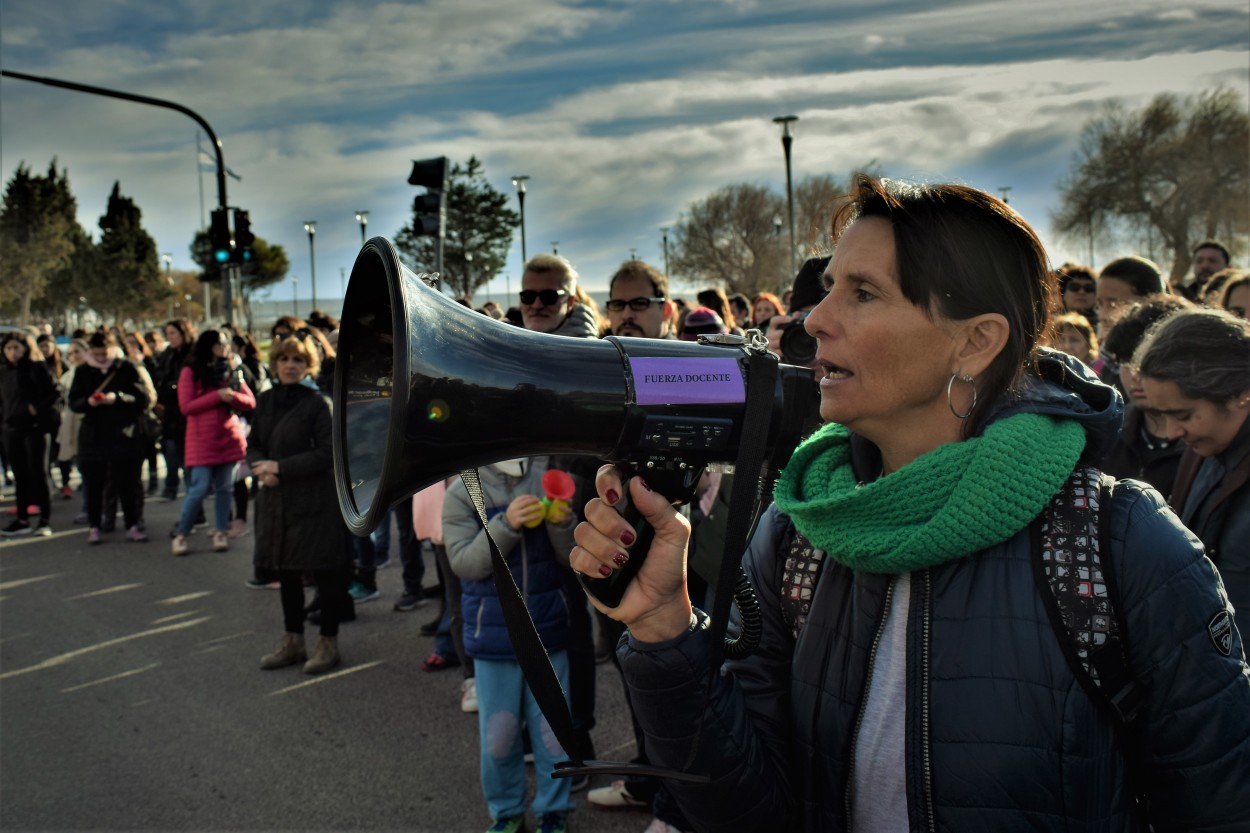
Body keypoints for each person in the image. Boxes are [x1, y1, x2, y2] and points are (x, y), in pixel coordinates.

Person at [572, 176, 1250, 831]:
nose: (816, 317)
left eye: (863, 293)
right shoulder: (798, 529)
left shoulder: (1124, 543)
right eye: (831, 285)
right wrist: (665, 629)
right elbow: (747, 810)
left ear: (975, 341)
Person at [443, 457, 578, 833]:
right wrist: (505, 525)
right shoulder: (462, 491)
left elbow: (570, 557)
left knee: (553, 734)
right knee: (499, 737)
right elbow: (464, 563)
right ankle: (506, 812)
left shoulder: (548, 478)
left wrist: (563, 523)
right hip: (494, 637)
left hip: (547, 629)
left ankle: (555, 811)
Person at [1135, 308, 1250, 636]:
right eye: (1163, 416)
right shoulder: (1203, 450)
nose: (1172, 433)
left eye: (1184, 415)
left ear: (1242, 393)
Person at [252, 331, 352, 675]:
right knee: (287, 572)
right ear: (275, 362)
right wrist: (262, 469)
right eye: (284, 359)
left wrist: (281, 468)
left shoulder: (318, 404)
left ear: (309, 365)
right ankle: (292, 640)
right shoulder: (265, 401)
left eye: (298, 360)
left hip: (314, 502)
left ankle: (329, 643)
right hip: (276, 501)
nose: (290, 366)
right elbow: (253, 443)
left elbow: (328, 453)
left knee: (324, 572)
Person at [171, 330, 255, 557]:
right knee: (198, 488)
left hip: (229, 437)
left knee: (225, 488)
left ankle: (220, 531)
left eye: (227, 343)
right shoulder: (191, 370)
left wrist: (232, 396)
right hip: (201, 439)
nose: (225, 347)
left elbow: (250, 401)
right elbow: (186, 406)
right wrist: (217, 396)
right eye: (220, 343)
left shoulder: (231, 370)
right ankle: (182, 533)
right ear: (208, 345)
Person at [1100, 295, 1193, 495]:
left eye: (1147, 362)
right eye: (1126, 360)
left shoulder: (1207, 441)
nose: (1134, 374)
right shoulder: (1106, 432)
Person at [69, 331, 150, 544]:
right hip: (93, 437)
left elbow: (142, 398)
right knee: (94, 484)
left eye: (105, 353)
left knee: (127, 483)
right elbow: (74, 402)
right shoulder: (83, 371)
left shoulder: (125, 368)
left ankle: (132, 524)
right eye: (97, 354)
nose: (102, 358)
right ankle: (95, 525)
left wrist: (118, 398)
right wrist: (89, 402)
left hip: (123, 435)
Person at [0, 331, 58, 537]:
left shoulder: (37, 368)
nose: (12, 352)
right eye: (8, 348)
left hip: (36, 428)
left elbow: (55, 392)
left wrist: (37, 408)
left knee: (39, 472)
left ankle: (44, 520)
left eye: (16, 347)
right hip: (11, 428)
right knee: (20, 475)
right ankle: (22, 518)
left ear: (25, 348)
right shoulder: (3, 372)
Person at [154, 318, 196, 500]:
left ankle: (195, 509)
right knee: (171, 454)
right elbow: (159, 378)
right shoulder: (167, 355)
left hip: (188, 416)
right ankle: (173, 488)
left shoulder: (194, 354)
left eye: (173, 333)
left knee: (189, 464)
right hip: (170, 416)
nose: (170, 337)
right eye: (168, 334)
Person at [518, 254, 599, 338]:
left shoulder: (588, 349)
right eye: (528, 296)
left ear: (570, 302)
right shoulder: (509, 344)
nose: (537, 305)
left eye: (549, 297)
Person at [1056, 262, 1099, 327]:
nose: (1082, 292)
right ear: (1062, 294)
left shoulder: (1105, 326)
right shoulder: (1052, 327)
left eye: (1088, 288)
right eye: (1075, 288)